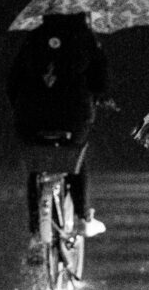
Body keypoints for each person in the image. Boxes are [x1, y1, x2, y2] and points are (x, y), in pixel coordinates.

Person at [7, 13, 110, 248]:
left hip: (31, 116)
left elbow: (13, 80)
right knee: (76, 157)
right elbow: (100, 82)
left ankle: (35, 231)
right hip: (73, 117)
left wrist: (22, 107)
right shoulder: (86, 38)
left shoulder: (33, 38)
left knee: (37, 165)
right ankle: (83, 217)